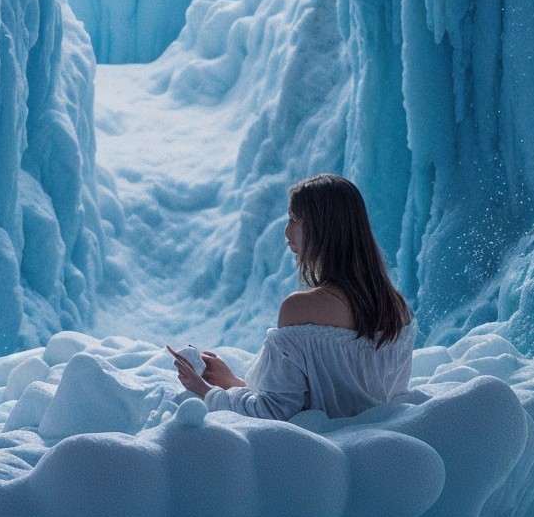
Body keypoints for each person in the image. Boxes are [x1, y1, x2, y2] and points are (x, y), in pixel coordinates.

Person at [175, 173, 414, 419]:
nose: (287, 230)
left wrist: (203, 390)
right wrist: (230, 381)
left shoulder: (300, 308)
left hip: (320, 451)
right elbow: (350, 400)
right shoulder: (398, 307)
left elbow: (274, 413)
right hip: (379, 445)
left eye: (294, 219)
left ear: (323, 228)